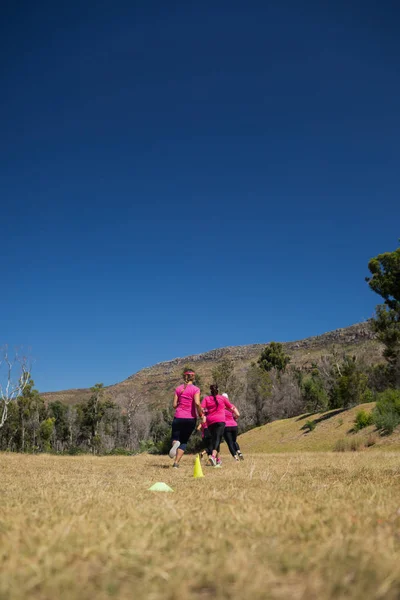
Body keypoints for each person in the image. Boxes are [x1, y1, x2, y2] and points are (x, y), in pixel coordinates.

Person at [169, 370, 204, 468]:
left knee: (175, 438)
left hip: (178, 417)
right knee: (184, 441)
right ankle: (176, 463)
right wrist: (201, 414)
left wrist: (180, 405)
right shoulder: (196, 389)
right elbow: (197, 403)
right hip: (190, 418)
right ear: (193, 377)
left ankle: (175, 444)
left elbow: (174, 405)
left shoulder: (178, 389)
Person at [202, 384, 239, 467]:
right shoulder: (222, 398)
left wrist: (205, 412)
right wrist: (233, 413)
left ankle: (218, 460)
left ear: (210, 391)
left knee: (215, 439)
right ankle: (213, 456)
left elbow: (202, 409)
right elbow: (230, 407)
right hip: (220, 420)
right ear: (218, 391)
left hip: (210, 421)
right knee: (218, 438)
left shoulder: (206, 399)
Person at [222, 392, 244, 461]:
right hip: (234, 425)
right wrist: (234, 418)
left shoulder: (221, 407)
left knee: (229, 443)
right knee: (234, 441)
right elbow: (238, 414)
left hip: (226, 426)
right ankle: (239, 452)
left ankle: (235, 457)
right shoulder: (231, 406)